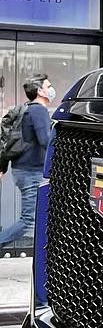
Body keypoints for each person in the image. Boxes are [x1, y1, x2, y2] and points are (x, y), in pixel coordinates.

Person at [0, 75, 55, 256]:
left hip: (24, 170)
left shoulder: (27, 110)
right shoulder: (39, 111)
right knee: (28, 219)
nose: (51, 88)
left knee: (46, 214)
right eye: (48, 86)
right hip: (32, 172)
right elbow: (46, 141)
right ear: (40, 91)